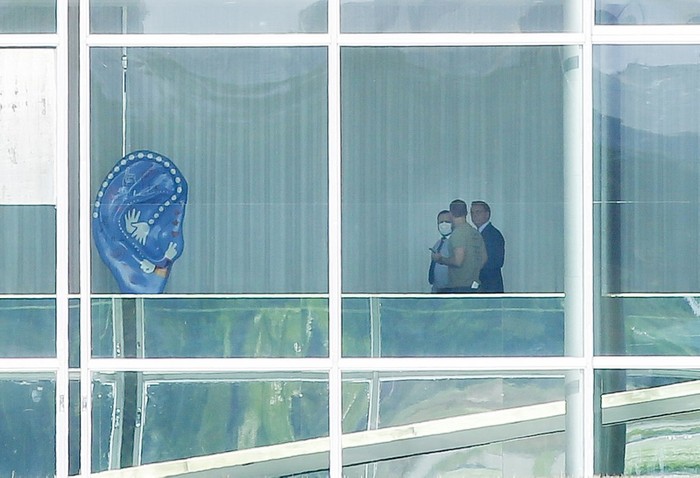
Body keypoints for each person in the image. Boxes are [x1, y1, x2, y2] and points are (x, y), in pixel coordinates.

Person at [432, 199, 487, 293]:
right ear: (466, 213)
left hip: (460, 287)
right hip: (474, 285)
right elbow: (484, 258)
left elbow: (458, 261)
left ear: (451, 213)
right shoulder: (474, 232)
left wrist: (440, 259)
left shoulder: (458, 233)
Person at [470, 200, 505, 293]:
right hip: (482, 284)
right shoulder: (476, 234)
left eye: (478, 212)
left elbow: (496, 262)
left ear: (487, 214)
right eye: (472, 213)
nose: (474, 215)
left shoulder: (493, 234)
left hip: (489, 284)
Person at [428, 210, 452, 292]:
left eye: (447, 221)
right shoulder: (438, 244)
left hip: (450, 290)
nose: (444, 225)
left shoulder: (456, 243)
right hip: (437, 289)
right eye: (441, 222)